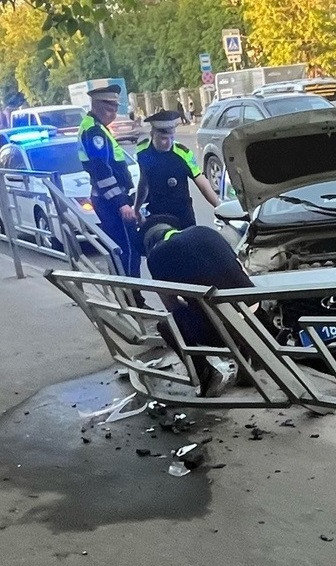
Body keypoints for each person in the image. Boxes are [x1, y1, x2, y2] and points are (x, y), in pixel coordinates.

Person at [142, 216, 255, 396]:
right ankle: (248, 364)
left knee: (168, 324)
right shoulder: (205, 231)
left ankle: (208, 374)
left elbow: (171, 305)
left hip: (224, 331)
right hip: (256, 317)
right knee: (225, 307)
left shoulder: (157, 255)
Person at [77, 84, 141, 279]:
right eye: (110, 109)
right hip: (111, 201)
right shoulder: (94, 132)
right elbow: (102, 171)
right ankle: (133, 301)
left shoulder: (96, 128)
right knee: (128, 251)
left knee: (124, 250)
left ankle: (130, 298)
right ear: (96, 105)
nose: (113, 114)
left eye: (115, 108)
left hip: (108, 199)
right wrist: (121, 203)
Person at [135, 110, 220, 231]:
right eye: (164, 138)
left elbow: (202, 184)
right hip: (157, 215)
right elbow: (143, 182)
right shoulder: (142, 152)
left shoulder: (183, 154)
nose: (168, 143)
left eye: (172, 137)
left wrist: (219, 208)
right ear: (152, 134)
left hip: (183, 216)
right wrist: (136, 209)